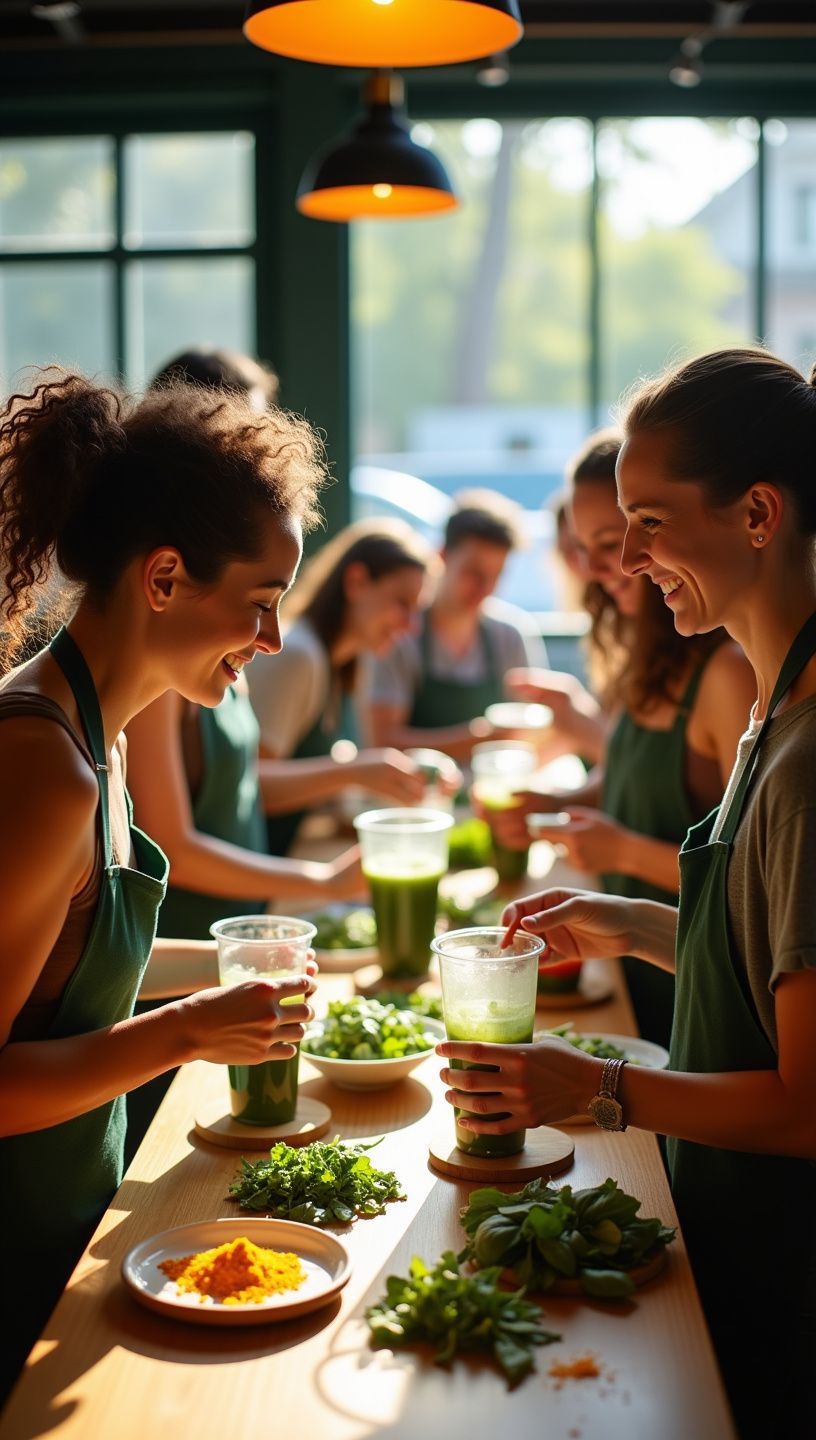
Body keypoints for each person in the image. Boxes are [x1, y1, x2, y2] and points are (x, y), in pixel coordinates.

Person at [438, 348, 816, 1439]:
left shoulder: (804, 761)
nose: (629, 558)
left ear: (758, 514)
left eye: (649, 522)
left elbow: (803, 1107)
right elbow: (760, 951)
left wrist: (598, 1088)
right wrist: (634, 924)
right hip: (725, 1222)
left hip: (784, 1274)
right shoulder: (770, 713)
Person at [0, 368, 324, 1400]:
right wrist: (188, 1031)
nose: (272, 641)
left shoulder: (104, 737)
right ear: (166, 577)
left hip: (64, 1232)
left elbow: (70, 977)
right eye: (261, 604)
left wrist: (242, 974)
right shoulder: (42, 762)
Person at [484, 428, 755, 1047]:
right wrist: (551, 807)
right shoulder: (644, 655)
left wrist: (623, 852)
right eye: (584, 549)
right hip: (630, 973)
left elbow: (751, 884)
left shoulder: (726, 673)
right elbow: (635, 782)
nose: (604, 566)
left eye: (613, 542)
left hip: (692, 994)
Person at [248, 517, 438, 856]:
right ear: (356, 582)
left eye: (417, 611)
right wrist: (354, 773)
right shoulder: (298, 656)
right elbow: (248, 786)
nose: (411, 626)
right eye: (402, 603)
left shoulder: (349, 662)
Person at [360, 489, 548, 761]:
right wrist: (480, 738)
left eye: (496, 575)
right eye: (473, 572)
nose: (485, 587)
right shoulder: (399, 633)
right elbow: (382, 742)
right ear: (442, 556)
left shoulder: (511, 635)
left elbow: (535, 730)